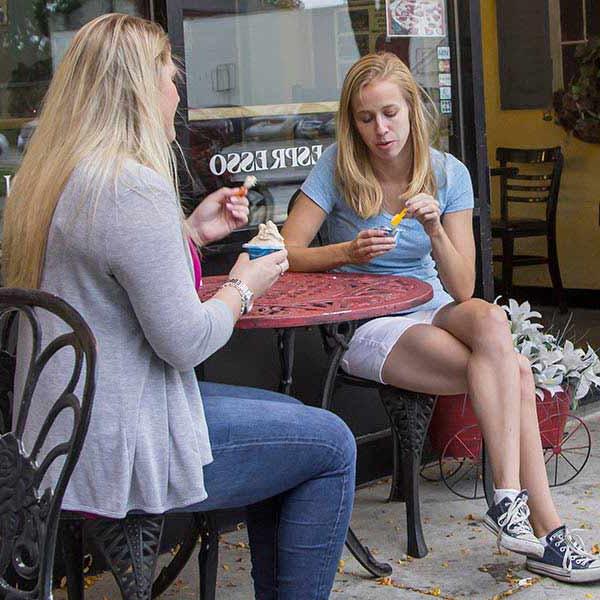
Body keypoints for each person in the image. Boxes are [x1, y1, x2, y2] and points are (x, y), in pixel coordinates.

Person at [2, 14, 356, 599]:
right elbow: (186, 341)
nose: (176, 94)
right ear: (140, 90)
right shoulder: (130, 186)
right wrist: (246, 283)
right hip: (123, 444)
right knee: (330, 444)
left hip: (58, 435)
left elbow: (106, 280)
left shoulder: (54, 176)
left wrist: (189, 234)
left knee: (287, 425)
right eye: (170, 79)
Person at [281, 52, 600, 584]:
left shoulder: (448, 172)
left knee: (492, 323)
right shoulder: (338, 167)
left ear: (412, 109)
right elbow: (288, 252)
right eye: (366, 118)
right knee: (515, 373)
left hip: (434, 303)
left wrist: (433, 230)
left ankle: (507, 501)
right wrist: (347, 254)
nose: (380, 129)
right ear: (351, 121)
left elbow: (463, 288)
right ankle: (544, 530)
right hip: (370, 320)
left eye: (390, 113)